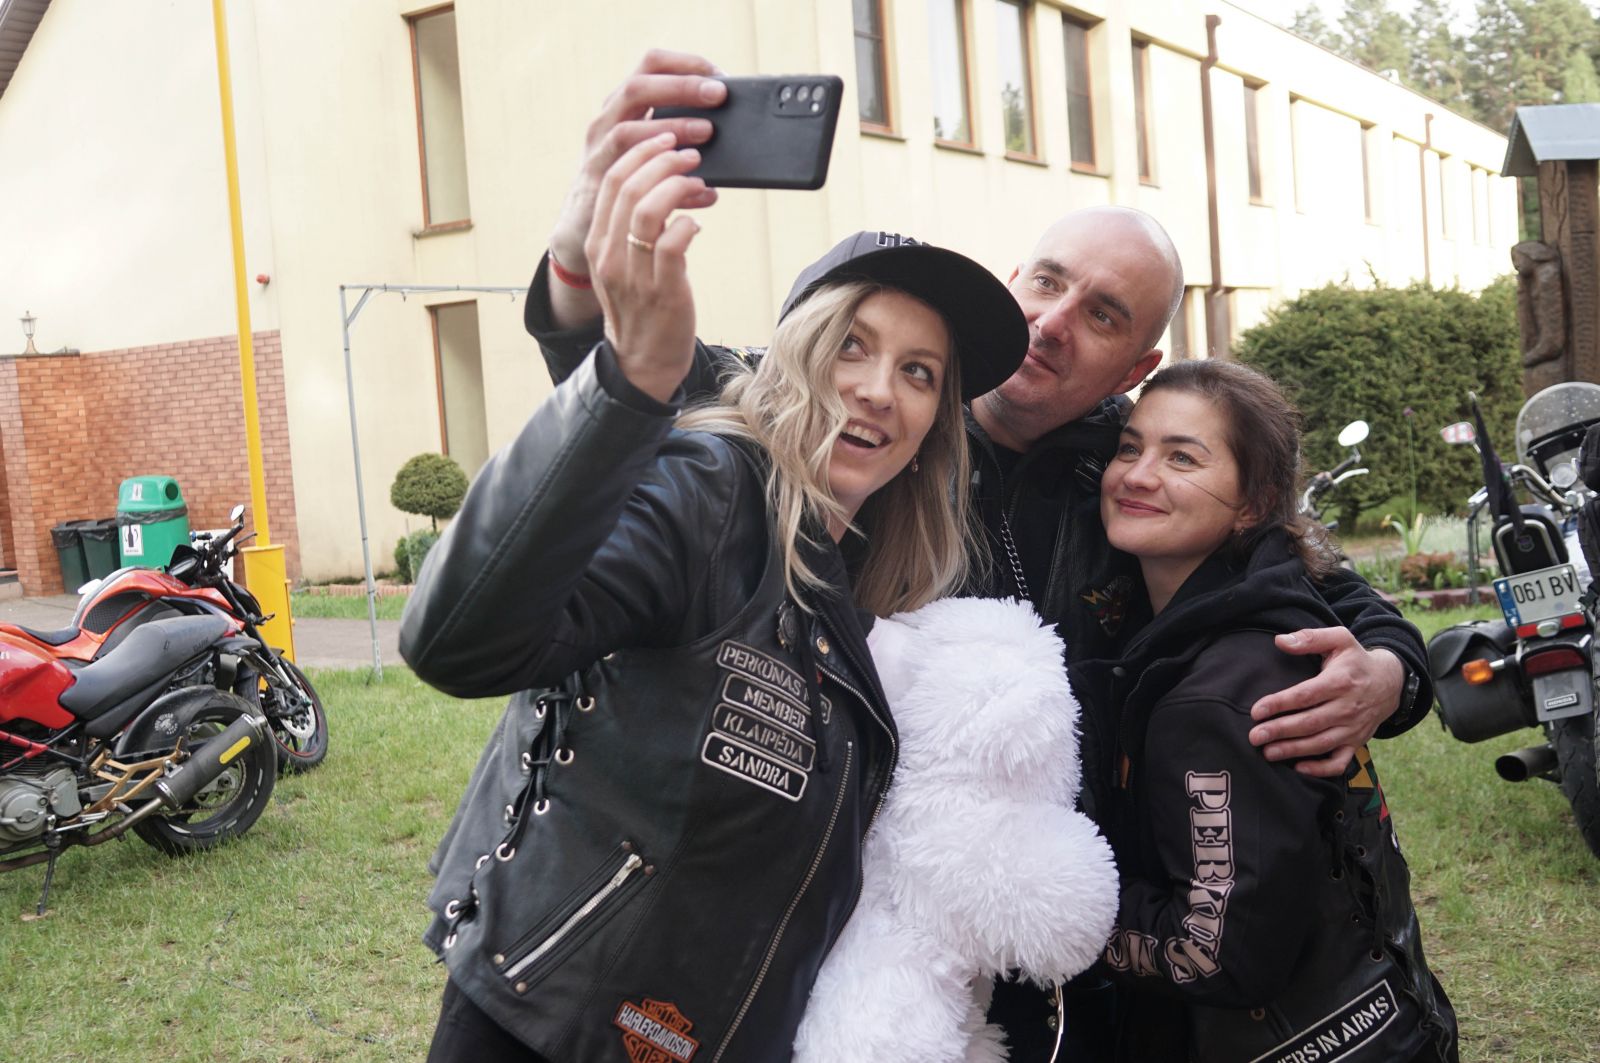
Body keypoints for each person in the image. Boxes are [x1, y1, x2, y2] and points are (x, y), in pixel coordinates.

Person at [525, 51, 1434, 1057]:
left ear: (1132, 367)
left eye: (1101, 314)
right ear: (1012, 282)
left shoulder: (1129, 473)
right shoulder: (864, 425)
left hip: (1084, 927)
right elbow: (667, 379)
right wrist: (579, 262)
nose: (1053, 322)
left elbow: (1316, 576)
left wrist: (1390, 673)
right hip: (876, 910)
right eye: (1047, 281)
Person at [399, 127, 1029, 1060]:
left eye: (918, 372)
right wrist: (623, 386)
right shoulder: (712, 490)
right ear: (794, 354)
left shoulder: (871, 586)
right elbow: (460, 639)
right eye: (851, 346)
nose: (877, 391)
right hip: (553, 1027)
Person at [1080, 358, 1458, 1061]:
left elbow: (1214, 954)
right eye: (1130, 448)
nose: (1137, 474)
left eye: (1182, 457)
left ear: (1252, 505)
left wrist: (1054, 903)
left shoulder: (1216, 698)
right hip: (1392, 1016)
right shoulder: (1250, 597)